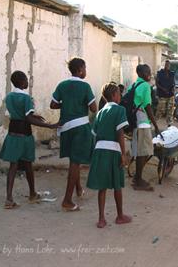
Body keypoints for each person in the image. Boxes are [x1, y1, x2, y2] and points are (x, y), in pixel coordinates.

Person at [0, 71, 58, 209]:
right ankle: (32, 193)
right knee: (28, 164)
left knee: (13, 166)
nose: (27, 82)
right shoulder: (26, 98)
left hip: (13, 133)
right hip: (25, 135)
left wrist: (34, 116)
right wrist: (49, 125)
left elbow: (19, 114)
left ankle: (9, 198)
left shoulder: (9, 97)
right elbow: (28, 118)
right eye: (26, 80)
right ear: (21, 82)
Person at [50, 58, 97, 212]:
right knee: (75, 163)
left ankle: (78, 189)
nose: (86, 71)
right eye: (85, 68)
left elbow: (53, 104)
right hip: (80, 127)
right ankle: (67, 200)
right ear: (80, 70)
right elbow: (94, 108)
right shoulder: (85, 86)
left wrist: (68, 103)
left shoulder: (62, 85)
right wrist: (79, 103)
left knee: (73, 160)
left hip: (65, 128)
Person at [87, 83, 132, 228]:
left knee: (102, 186)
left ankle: (101, 219)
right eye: (119, 93)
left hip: (99, 150)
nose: (120, 96)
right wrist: (123, 154)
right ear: (114, 95)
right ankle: (119, 216)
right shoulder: (120, 110)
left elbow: (94, 135)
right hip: (113, 150)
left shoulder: (100, 112)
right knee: (117, 185)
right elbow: (120, 133)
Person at [131, 64, 161, 191]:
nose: (150, 74)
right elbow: (148, 107)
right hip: (143, 121)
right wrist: (155, 125)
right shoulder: (145, 86)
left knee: (140, 151)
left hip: (135, 120)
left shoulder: (135, 84)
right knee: (143, 152)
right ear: (142, 73)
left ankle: (137, 177)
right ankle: (138, 180)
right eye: (147, 72)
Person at [155, 60, 175, 126]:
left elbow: (173, 83)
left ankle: (169, 124)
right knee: (160, 110)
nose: (167, 66)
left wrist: (173, 88)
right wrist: (163, 89)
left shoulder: (172, 73)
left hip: (170, 95)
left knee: (170, 110)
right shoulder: (159, 73)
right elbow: (157, 84)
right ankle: (154, 122)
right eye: (166, 65)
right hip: (162, 95)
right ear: (164, 65)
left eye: (168, 65)